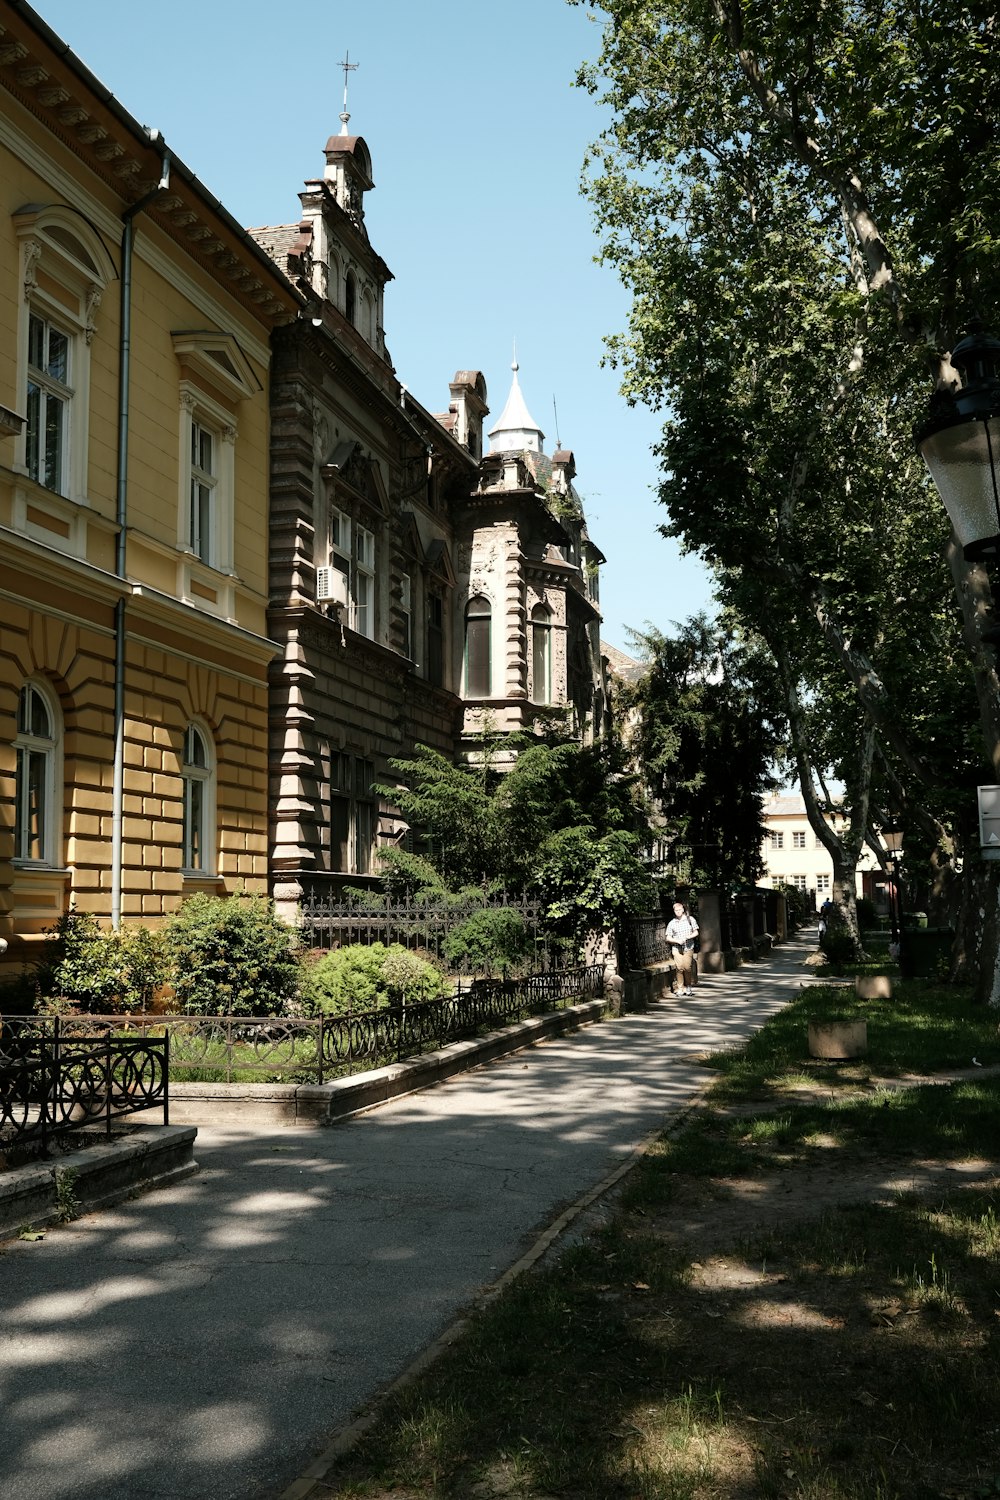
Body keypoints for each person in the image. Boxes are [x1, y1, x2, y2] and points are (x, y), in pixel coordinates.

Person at [666, 900, 699, 996]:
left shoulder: (690, 920)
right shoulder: (672, 923)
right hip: (676, 948)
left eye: (679, 910)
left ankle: (688, 986)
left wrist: (688, 937)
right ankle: (680, 988)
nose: (678, 912)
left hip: (688, 947)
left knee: (687, 967)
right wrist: (677, 941)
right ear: (674, 911)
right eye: (676, 910)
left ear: (683, 909)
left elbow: (696, 932)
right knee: (679, 968)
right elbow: (668, 937)